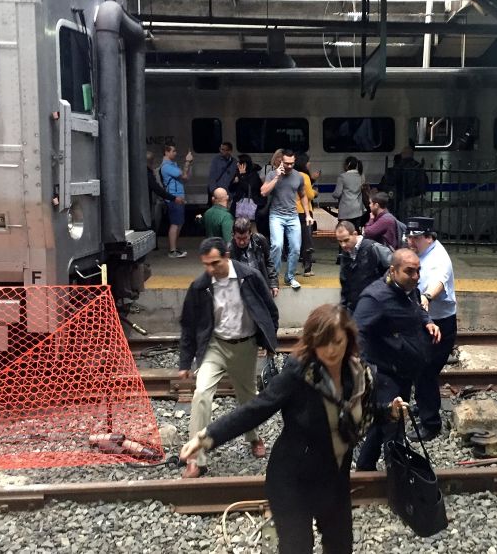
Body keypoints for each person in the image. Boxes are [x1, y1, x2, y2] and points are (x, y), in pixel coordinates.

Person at [180, 304, 406, 553]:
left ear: (348, 339)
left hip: (334, 479)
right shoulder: (299, 373)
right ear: (312, 342)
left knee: (341, 546)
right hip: (292, 479)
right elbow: (257, 408)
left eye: (338, 342)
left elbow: (361, 414)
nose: (331, 350)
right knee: (297, 547)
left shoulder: (359, 374)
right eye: (322, 343)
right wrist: (208, 436)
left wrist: (389, 411)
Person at [178, 237, 279, 477]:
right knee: (201, 393)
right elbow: (189, 325)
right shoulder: (200, 285)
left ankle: (253, 437)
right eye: (206, 264)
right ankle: (197, 459)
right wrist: (185, 362)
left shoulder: (250, 277)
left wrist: (268, 341)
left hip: (245, 347)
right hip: (216, 346)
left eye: (215, 263)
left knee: (247, 398)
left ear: (227, 255)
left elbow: (270, 311)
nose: (211, 269)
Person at [353, 248, 441, 471]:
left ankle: (365, 468)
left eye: (418, 271)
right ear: (392, 270)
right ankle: (398, 476)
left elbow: (417, 309)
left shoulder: (408, 288)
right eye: (409, 272)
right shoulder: (374, 298)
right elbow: (356, 333)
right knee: (394, 425)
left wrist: (427, 321)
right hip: (384, 372)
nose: (416, 277)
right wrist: (365, 369)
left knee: (381, 422)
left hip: (404, 369)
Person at [405, 217, 457, 442]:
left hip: (439, 324)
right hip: (427, 321)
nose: (410, 241)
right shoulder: (423, 251)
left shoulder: (438, 259)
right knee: (422, 370)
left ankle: (431, 424)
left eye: (415, 238)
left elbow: (438, 282)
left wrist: (426, 297)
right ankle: (425, 404)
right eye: (409, 237)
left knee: (425, 371)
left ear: (429, 237)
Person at [260, 149, 313, 290]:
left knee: (295, 248)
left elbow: (303, 195)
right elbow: (263, 192)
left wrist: (307, 214)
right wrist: (277, 177)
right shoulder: (272, 174)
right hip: (276, 215)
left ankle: (289, 277)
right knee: (277, 245)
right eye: (287, 163)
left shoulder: (299, 176)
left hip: (293, 216)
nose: (289, 166)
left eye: (292, 163)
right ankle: (274, 277)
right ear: (280, 161)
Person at [335, 220, 391, 313]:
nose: (343, 245)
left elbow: (393, 269)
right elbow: (344, 283)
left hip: (375, 305)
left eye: (346, 240)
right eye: (340, 242)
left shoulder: (373, 248)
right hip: (354, 307)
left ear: (355, 234)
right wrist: (343, 308)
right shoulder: (345, 254)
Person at [229, 218, 279, 297]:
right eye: (239, 238)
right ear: (233, 235)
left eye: (245, 238)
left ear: (250, 234)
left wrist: (273, 283)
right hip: (242, 290)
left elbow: (268, 261)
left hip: (261, 285)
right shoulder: (229, 250)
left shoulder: (260, 240)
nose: (242, 242)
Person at [160, 143, 193, 258]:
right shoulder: (167, 167)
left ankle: (174, 248)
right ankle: (172, 250)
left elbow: (185, 177)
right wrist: (187, 162)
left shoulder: (172, 165)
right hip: (174, 198)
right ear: (166, 152)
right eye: (173, 151)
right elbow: (182, 175)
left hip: (178, 197)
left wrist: (189, 164)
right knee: (175, 223)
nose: (175, 153)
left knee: (179, 223)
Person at [146, 151, 183, 235]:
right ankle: (154, 242)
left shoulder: (148, 172)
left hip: (153, 201)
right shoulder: (149, 173)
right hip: (153, 202)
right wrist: (173, 198)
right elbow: (157, 189)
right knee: (154, 222)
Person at [295, 153, 317, 277]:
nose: (309, 164)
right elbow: (309, 195)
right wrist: (315, 192)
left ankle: (293, 267)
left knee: (294, 241)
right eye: (308, 162)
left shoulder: (290, 175)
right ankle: (307, 269)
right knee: (306, 240)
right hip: (304, 211)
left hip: (292, 212)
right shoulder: (304, 176)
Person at [333, 156, 367, 231]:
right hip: (357, 210)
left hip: (345, 210)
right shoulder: (361, 175)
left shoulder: (342, 177)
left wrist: (333, 195)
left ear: (347, 165)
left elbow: (337, 193)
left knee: (344, 231)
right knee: (355, 231)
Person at [232, 154, 264, 230]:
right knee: (238, 228)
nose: (237, 164)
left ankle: (255, 241)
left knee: (252, 227)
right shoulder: (238, 173)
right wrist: (234, 182)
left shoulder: (254, 175)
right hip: (238, 205)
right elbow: (231, 188)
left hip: (250, 205)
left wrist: (242, 177)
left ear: (244, 164)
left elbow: (248, 188)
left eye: (238, 162)